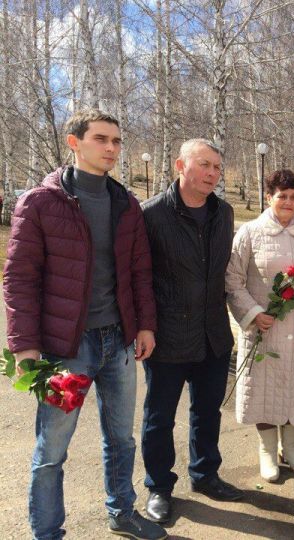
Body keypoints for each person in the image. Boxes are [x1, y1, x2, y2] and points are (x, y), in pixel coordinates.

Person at [3, 109, 166, 540]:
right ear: (74, 142)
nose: (111, 148)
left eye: (116, 141)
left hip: (120, 341)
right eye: (101, 139)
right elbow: (19, 277)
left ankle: (122, 512)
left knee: (121, 439)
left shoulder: (125, 204)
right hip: (66, 345)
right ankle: (48, 532)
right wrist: (24, 348)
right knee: (52, 449)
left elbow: (138, 272)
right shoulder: (39, 202)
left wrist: (145, 326)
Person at [141, 139, 242, 523]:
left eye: (217, 167)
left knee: (207, 411)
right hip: (166, 337)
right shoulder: (150, 215)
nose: (212, 174)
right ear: (180, 165)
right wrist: (143, 327)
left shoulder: (224, 213)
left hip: (213, 334)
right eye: (205, 165)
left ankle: (205, 474)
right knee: (159, 417)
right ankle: (159, 487)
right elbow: (139, 278)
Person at [226, 169, 294, 482]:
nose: (289, 202)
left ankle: (291, 448)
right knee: (263, 394)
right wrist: (254, 313)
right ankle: (267, 451)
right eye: (282, 196)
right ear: (269, 197)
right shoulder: (250, 233)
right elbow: (233, 279)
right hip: (263, 329)